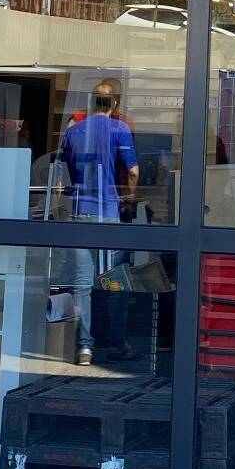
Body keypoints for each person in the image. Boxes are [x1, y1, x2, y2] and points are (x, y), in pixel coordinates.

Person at [57, 77, 138, 366]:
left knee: (82, 284)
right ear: (115, 103)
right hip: (108, 214)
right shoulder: (120, 128)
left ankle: (84, 348)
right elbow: (133, 172)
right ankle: (117, 343)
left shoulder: (74, 130)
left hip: (80, 213)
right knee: (115, 281)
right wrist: (129, 199)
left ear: (92, 102)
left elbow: (63, 168)